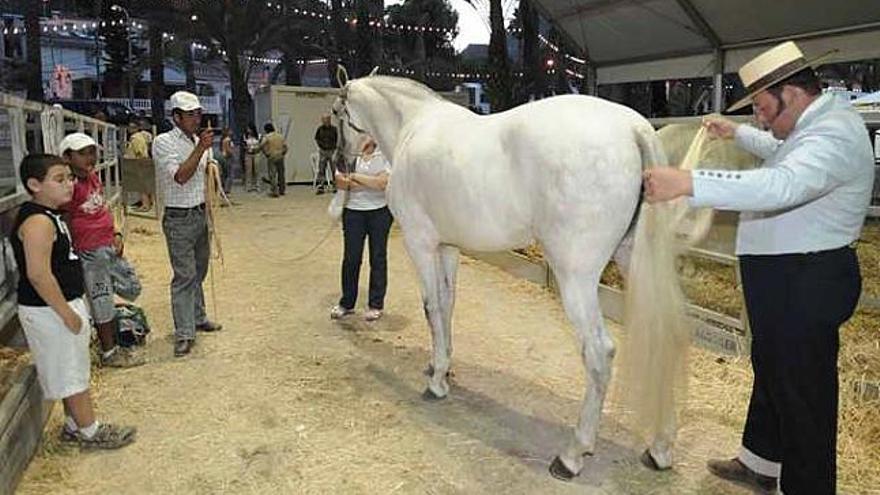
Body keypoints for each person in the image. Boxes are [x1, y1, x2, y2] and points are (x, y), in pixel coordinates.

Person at [642, 41, 874, 495]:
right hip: (785, 279)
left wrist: (688, 182)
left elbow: (781, 184)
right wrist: (737, 134)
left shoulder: (836, 134)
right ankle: (761, 461)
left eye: (765, 109)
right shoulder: (810, 128)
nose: (763, 120)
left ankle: (808, 486)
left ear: (790, 93)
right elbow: (777, 150)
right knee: (772, 369)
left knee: (803, 393)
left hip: (807, 281)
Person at [12, 154, 136, 449]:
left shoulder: (51, 214)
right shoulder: (38, 222)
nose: (69, 185)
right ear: (34, 184)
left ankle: (73, 425)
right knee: (70, 373)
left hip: (60, 306)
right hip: (50, 310)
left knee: (74, 368)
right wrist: (66, 312)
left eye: (69, 178)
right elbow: (39, 274)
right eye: (59, 179)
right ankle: (90, 432)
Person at [60, 132, 145, 369]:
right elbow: (66, 219)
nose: (90, 158)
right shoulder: (70, 187)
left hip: (106, 245)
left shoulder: (93, 177)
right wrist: (71, 251)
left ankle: (111, 334)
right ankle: (109, 351)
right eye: (82, 154)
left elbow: (102, 207)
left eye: (92, 152)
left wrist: (115, 232)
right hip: (89, 251)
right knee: (101, 298)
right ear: (67, 157)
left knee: (130, 286)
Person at [152, 91, 223, 358]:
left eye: (198, 114)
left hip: (200, 213)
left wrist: (212, 164)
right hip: (179, 217)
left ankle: (198, 316)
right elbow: (180, 176)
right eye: (191, 115)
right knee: (184, 275)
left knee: (199, 271)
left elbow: (206, 171)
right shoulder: (163, 142)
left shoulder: (200, 141)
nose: (197, 119)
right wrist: (201, 150)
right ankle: (184, 332)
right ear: (176, 117)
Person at [330, 136, 393, 322]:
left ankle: (376, 304)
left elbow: (383, 183)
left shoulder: (385, 153)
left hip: (380, 212)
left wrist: (356, 177)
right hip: (353, 212)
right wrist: (370, 181)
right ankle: (347, 303)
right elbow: (340, 182)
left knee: (378, 257)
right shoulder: (349, 154)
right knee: (351, 258)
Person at [125, 120, 154, 212]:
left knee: (141, 186)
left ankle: (145, 205)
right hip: (143, 162)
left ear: (136, 128)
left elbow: (139, 152)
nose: (129, 129)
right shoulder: (142, 137)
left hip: (139, 163)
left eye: (132, 127)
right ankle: (148, 202)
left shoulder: (135, 138)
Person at [260, 122, 288, 197]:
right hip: (280, 156)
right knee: (281, 174)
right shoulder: (280, 136)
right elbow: (285, 146)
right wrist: (283, 153)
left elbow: (262, 145)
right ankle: (282, 190)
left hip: (272, 156)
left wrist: (266, 153)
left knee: (272, 175)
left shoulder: (267, 137)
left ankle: (275, 191)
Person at [313, 114, 338, 194]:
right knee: (321, 169)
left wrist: (334, 148)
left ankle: (335, 186)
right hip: (323, 151)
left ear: (329, 120)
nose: (325, 121)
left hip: (332, 151)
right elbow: (317, 139)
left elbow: (338, 139)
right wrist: (321, 146)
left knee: (334, 169)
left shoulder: (334, 129)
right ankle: (321, 186)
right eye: (323, 120)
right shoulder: (320, 129)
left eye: (327, 119)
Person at [218, 127, 235, 195]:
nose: (232, 132)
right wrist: (232, 153)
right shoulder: (228, 140)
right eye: (230, 131)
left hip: (224, 157)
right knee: (229, 174)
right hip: (228, 158)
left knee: (225, 174)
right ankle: (227, 189)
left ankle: (223, 188)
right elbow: (228, 149)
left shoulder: (223, 139)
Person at [243, 124, 260, 192]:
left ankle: (257, 186)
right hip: (248, 154)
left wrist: (256, 149)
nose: (248, 130)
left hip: (256, 154)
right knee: (248, 171)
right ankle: (248, 186)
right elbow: (243, 145)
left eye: (249, 129)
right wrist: (247, 148)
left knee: (257, 170)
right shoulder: (245, 137)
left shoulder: (258, 136)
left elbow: (260, 145)